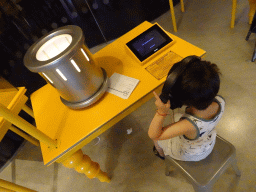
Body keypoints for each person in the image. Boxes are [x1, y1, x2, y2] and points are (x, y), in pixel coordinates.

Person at [148, 56, 225, 161]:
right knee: (177, 117)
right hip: (208, 142)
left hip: (191, 154)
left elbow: (153, 134)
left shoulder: (188, 125)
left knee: (157, 140)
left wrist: (161, 112)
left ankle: (161, 153)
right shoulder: (220, 101)